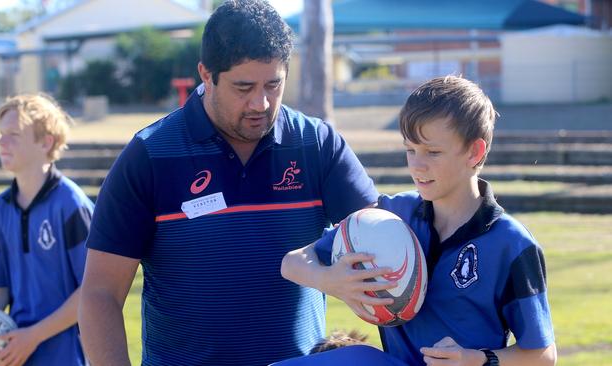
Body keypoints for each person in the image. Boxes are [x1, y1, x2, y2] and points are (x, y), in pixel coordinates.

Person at [77, 1, 377, 365]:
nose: (260, 103)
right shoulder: (150, 155)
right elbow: (100, 294)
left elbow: (376, 238)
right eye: (243, 87)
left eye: (273, 85)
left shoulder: (317, 144)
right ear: (206, 74)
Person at [281, 76, 557, 366]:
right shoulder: (391, 215)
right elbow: (293, 262)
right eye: (410, 150)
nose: (417, 165)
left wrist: (474, 359)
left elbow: (543, 355)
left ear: (474, 152)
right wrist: (330, 280)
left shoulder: (511, 243)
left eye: (433, 152)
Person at [0, 94, 93, 366]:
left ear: (45, 142)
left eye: (13, 134)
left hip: (66, 355)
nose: (1, 142)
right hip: (15, 354)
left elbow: (93, 290)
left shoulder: (71, 205)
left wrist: (34, 336)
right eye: (0, 134)